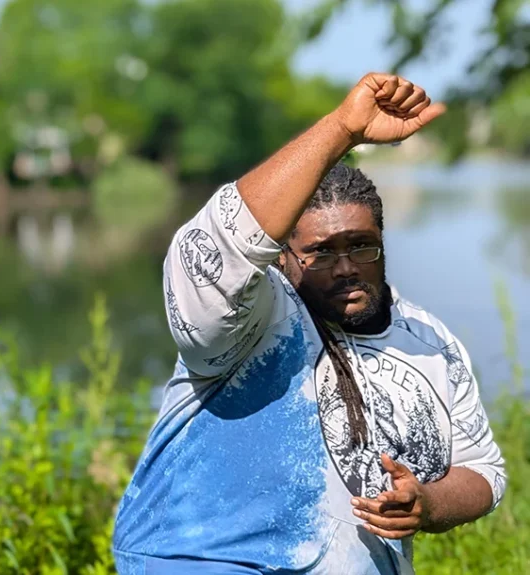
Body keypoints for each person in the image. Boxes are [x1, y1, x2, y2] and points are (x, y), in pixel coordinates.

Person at [111, 74, 506, 574]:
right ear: (280, 258)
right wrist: (343, 128)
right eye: (320, 253)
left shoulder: (431, 342)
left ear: (382, 243)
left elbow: (483, 473)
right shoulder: (252, 317)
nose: (345, 267)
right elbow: (212, 250)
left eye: (360, 245)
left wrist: (426, 504)